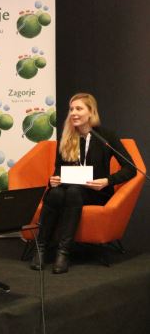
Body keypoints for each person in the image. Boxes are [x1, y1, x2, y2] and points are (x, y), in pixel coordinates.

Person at [29, 93, 136, 274]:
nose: (73, 113)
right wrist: (53, 180)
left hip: (96, 192)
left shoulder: (106, 136)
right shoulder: (66, 137)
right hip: (68, 190)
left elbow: (130, 168)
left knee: (72, 192)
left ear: (91, 112)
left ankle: (63, 252)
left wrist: (107, 181)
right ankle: (41, 248)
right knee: (56, 193)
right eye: (71, 109)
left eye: (79, 108)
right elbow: (58, 171)